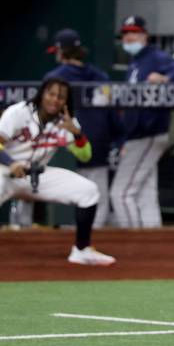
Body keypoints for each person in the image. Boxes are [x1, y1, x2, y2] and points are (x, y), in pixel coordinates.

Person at [0, 78, 115, 266]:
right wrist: (11, 162)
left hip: (36, 174)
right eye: (51, 94)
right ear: (41, 94)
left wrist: (77, 134)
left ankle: (82, 250)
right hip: (3, 169)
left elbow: (85, 156)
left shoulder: (67, 122)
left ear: (66, 101)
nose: (55, 100)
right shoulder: (18, 112)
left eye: (61, 97)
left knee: (88, 190)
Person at [109, 15, 174, 228]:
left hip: (149, 132)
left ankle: (133, 243)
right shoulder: (135, 63)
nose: (128, 37)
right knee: (146, 193)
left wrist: (165, 79)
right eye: (125, 33)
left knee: (121, 193)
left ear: (145, 35)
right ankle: (154, 241)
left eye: (133, 32)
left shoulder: (155, 57)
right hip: (137, 135)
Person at [44, 28, 124, 228]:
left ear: (61, 52)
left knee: (68, 195)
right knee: (97, 196)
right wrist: (118, 139)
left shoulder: (55, 77)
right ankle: (90, 239)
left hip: (67, 147)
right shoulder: (101, 76)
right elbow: (113, 115)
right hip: (98, 142)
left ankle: (72, 239)